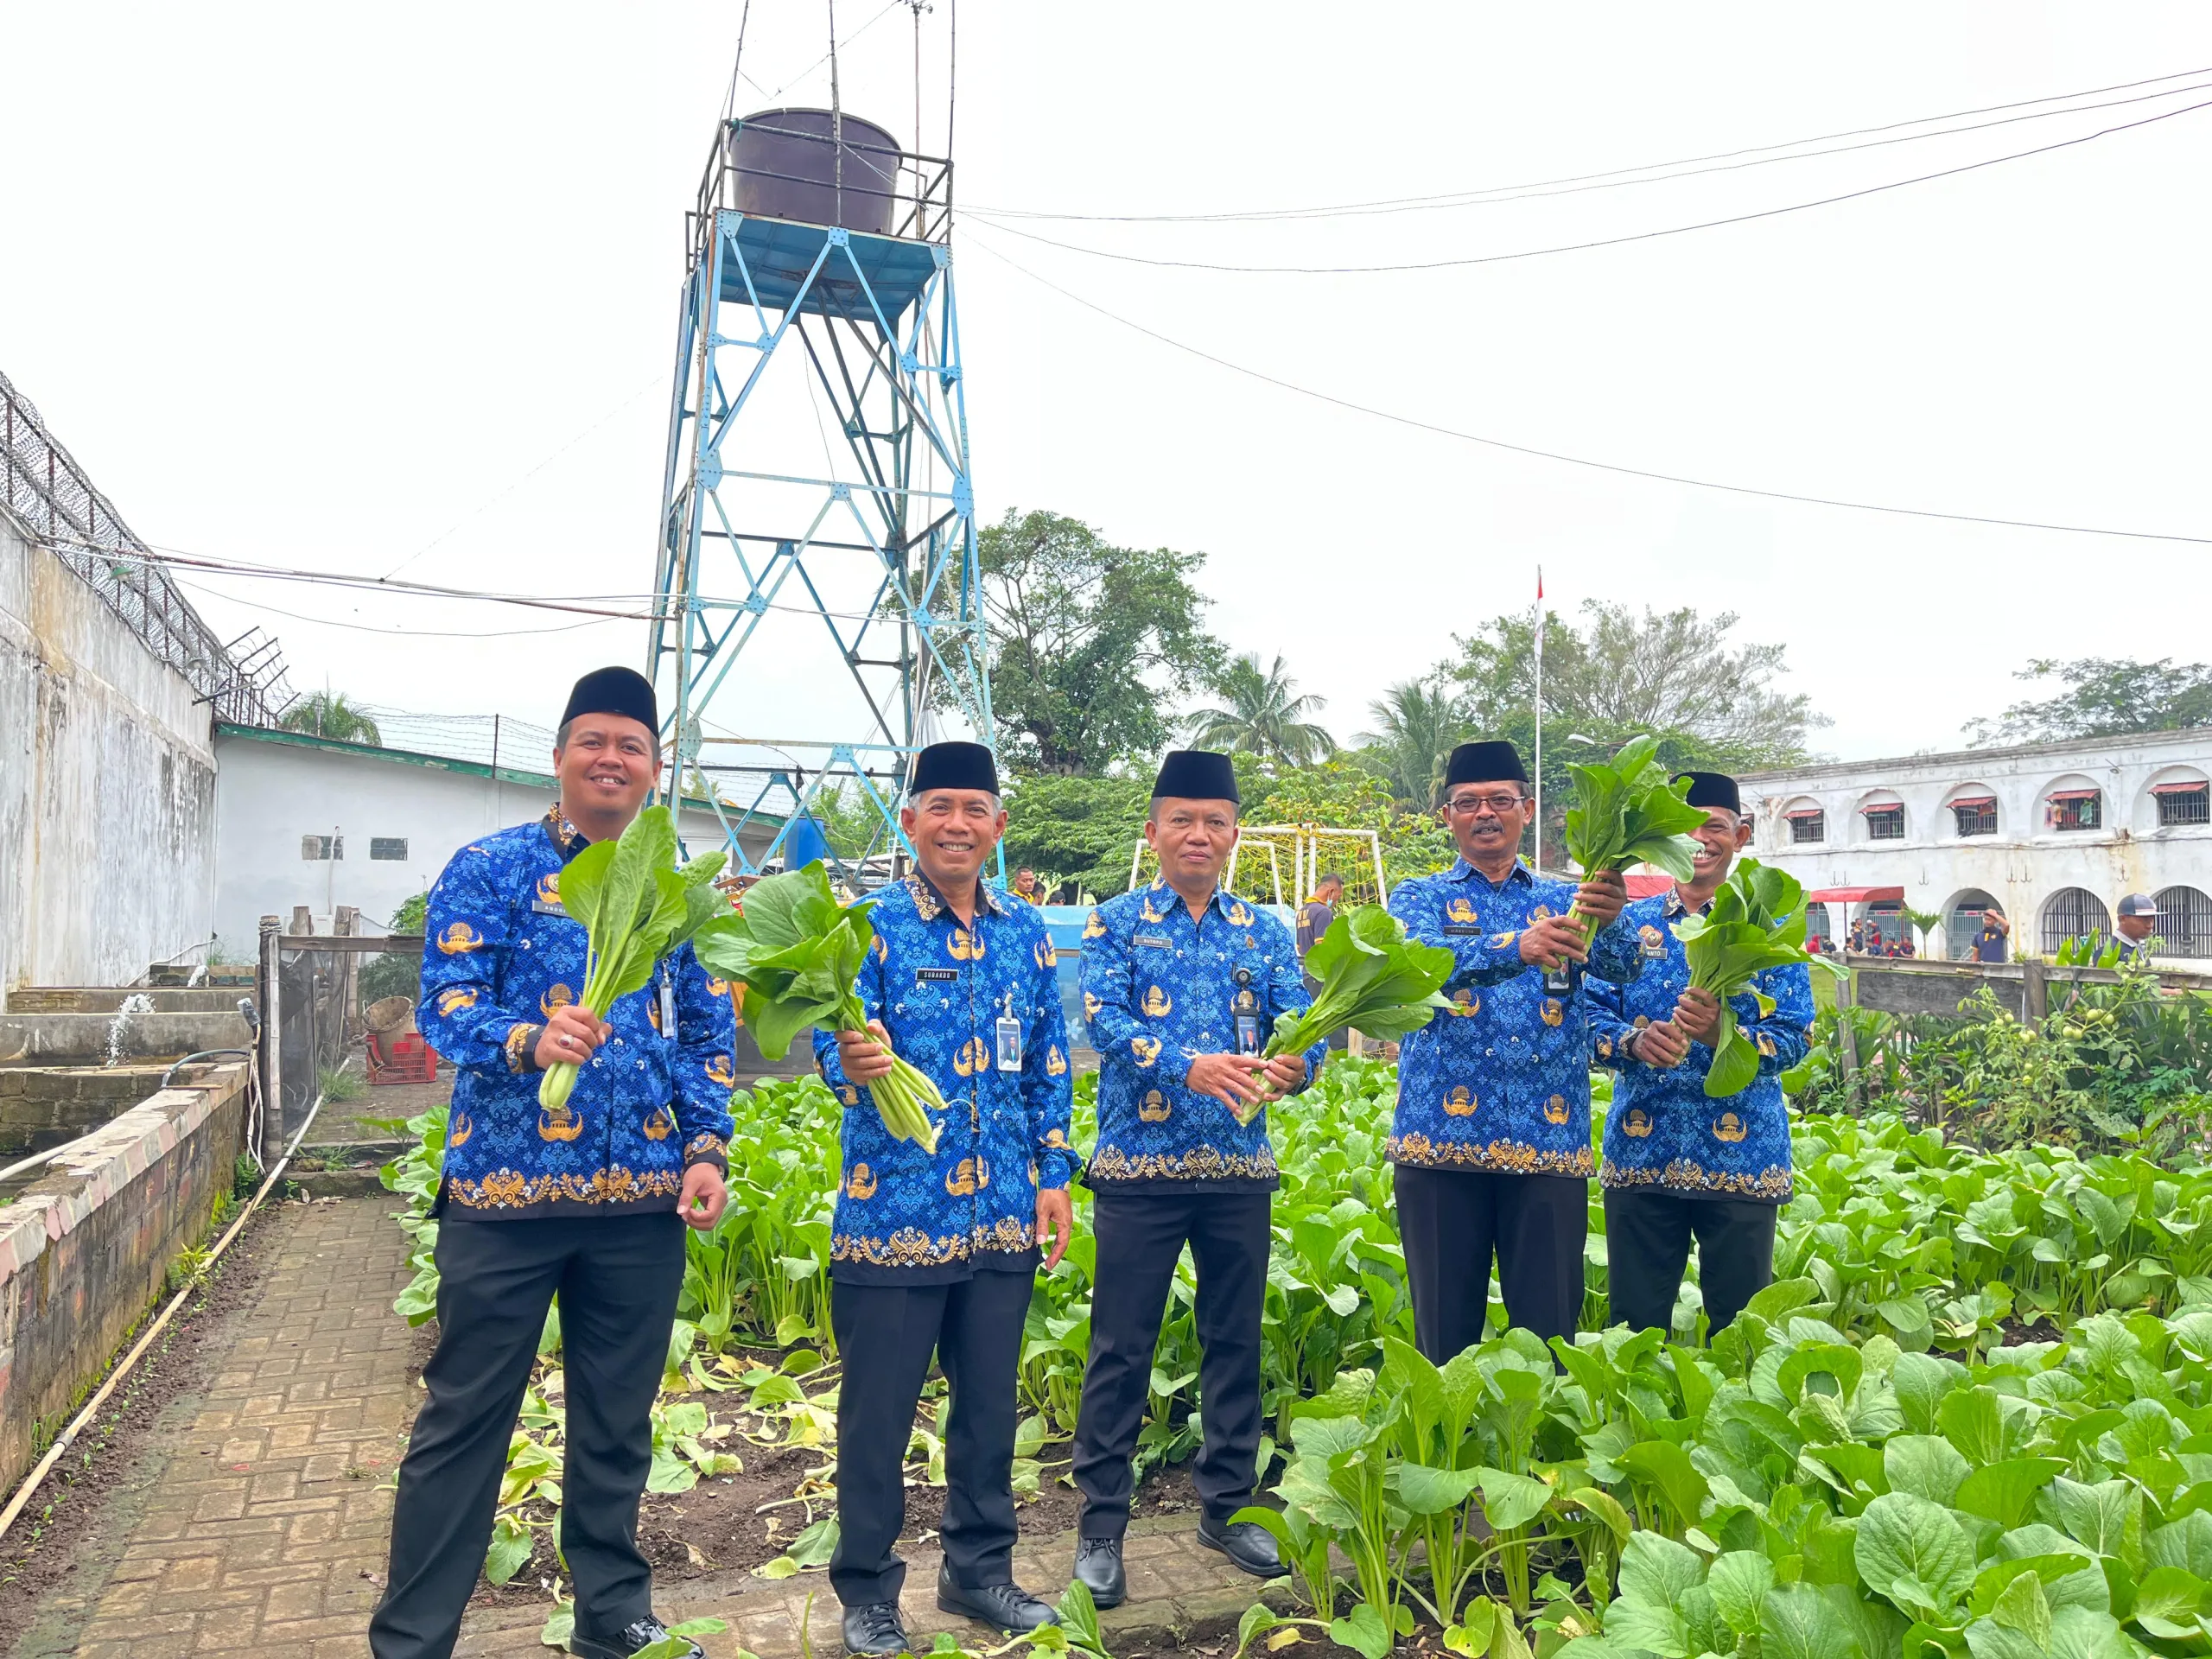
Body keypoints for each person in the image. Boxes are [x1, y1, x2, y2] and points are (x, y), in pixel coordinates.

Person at [371, 667, 736, 1659]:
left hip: (642, 1204)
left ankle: (610, 1616)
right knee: (465, 1422)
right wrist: (527, 1040)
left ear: (654, 769)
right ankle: (412, 1639)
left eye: (632, 746)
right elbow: (445, 1005)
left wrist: (706, 1148)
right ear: (561, 756)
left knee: (616, 1426)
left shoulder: (673, 892)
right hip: (506, 1197)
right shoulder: (490, 868)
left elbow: (705, 1035)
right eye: (593, 741)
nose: (611, 759)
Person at [814, 741, 1077, 1656]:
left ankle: (979, 1572)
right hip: (895, 1212)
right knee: (877, 1419)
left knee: (989, 1413)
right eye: (940, 807)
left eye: (974, 809)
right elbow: (828, 1045)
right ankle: (866, 1592)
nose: (956, 825)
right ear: (910, 820)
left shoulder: (1025, 929)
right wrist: (850, 1061)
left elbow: (1048, 1061)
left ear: (997, 825)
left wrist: (1054, 1174)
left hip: (1002, 1211)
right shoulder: (864, 926)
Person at [1069, 752, 1325, 1607]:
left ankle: (1227, 1507)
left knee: (1234, 1340)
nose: (1198, 835)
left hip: (1239, 1168)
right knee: (1121, 1346)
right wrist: (1188, 1065)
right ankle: (1102, 1526)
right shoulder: (1113, 922)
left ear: (1234, 835)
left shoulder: (1264, 929)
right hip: (1138, 1169)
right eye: (1182, 819)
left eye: (1215, 821)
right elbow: (1103, 1020)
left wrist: (1298, 1065)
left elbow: (1304, 1025)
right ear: (1153, 832)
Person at [1385, 740, 1636, 1360]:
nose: (1485, 813)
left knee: (1550, 1339)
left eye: (1500, 800)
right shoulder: (1418, 896)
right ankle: (1446, 1427)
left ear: (1527, 809)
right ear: (1447, 816)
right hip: (1439, 1143)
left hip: (1548, 1139)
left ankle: (1542, 1429)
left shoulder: (1570, 898)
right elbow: (1415, 963)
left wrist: (1614, 920)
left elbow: (1626, 968)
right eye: (1468, 802)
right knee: (1444, 1341)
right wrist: (1515, 946)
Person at [1589, 772, 1814, 1338]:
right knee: (1634, 1330)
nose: (1698, 840)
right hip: (1642, 1148)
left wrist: (1722, 1036)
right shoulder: (1628, 925)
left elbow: (1795, 1035)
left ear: (1740, 836)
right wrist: (1633, 1042)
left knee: (1740, 1332)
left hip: (1743, 1154)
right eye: (1682, 829)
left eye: (1713, 827)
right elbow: (1587, 1016)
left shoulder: (1768, 933)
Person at [1296, 872, 1349, 1052]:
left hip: (1306, 972)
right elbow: (1322, 947)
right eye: (1338, 897)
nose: (1336, 902)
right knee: (1332, 1017)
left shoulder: (1302, 911)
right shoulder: (1323, 912)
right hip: (1320, 974)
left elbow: (1300, 946)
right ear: (1331, 892)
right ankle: (1339, 1053)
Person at [2117, 893, 2162, 958]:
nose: (2150, 926)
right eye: (2144, 920)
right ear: (2122, 919)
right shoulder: (2109, 953)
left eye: (2152, 919)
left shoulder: (2138, 947)